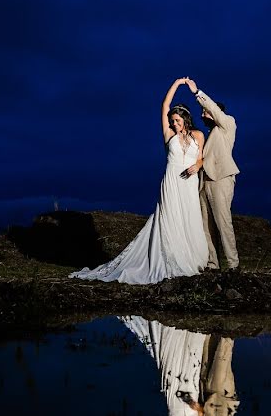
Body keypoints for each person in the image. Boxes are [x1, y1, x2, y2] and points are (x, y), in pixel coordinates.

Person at [69, 78, 208, 284]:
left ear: (186, 119)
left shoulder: (198, 135)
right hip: (171, 182)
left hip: (189, 182)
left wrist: (198, 165)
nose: (174, 124)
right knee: (170, 219)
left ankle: (192, 257)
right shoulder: (168, 134)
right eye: (172, 121)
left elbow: (201, 158)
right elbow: (164, 106)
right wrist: (177, 83)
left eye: (178, 121)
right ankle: (171, 258)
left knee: (189, 217)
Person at [185, 79, 240, 271]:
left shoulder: (227, 124)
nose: (203, 114)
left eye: (205, 111)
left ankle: (233, 264)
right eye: (202, 112)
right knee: (206, 226)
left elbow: (213, 109)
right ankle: (213, 264)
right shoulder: (210, 134)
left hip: (221, 179)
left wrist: (197, 93)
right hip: (204, 182)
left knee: (223, 221)